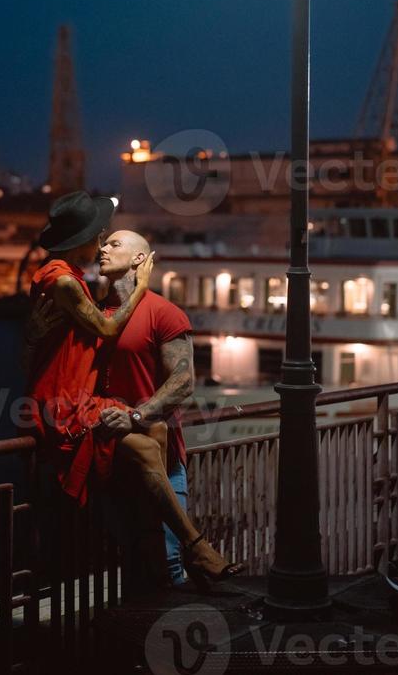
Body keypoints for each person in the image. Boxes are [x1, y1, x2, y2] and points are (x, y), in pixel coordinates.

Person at [25, 191, 244, 589]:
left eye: (115, 242)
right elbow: (52, 361)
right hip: (105, 441)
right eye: (101, 239)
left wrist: (137, 416)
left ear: (141, 259)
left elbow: (183, 382)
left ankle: (182, 618)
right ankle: (141, 630)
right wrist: (32, 337)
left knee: (166, 561)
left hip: (146, 445)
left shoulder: (163, 312)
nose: (105, 245)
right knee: (124, 560)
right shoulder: (89, 306)